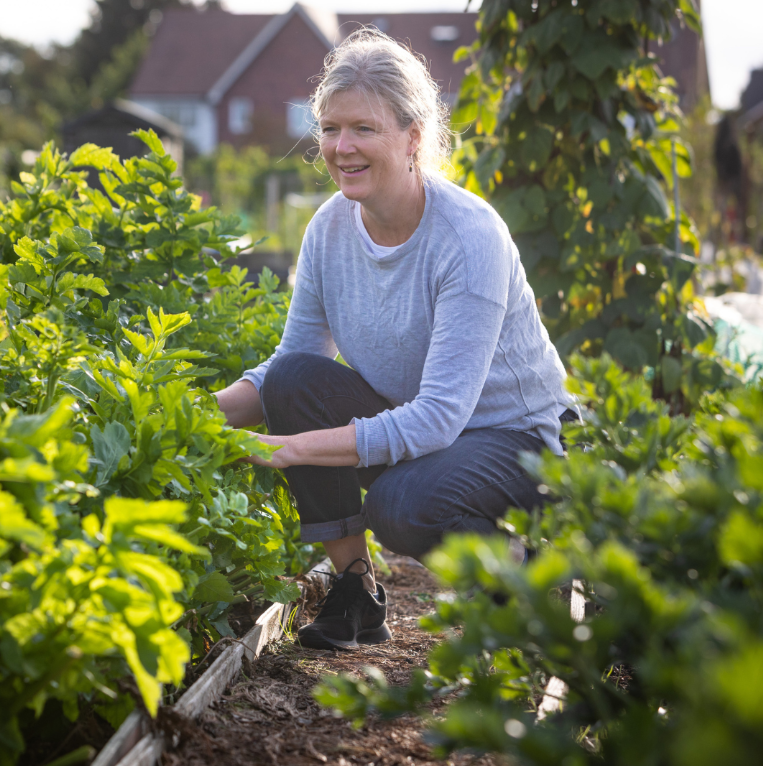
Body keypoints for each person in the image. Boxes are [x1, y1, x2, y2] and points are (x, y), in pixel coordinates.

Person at [214, 29, 574, 650]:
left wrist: (293, 449)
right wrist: (195, 419)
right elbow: (290, 364)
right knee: (298, 377)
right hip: (432, 430)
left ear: (412, 137)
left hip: (515, 440)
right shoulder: (329, 229)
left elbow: (437, 419)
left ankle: (517, 585)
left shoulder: (467, 236)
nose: (341, 147)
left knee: (401, 505)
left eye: (362, 129)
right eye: (329, 128)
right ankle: (355, 594)